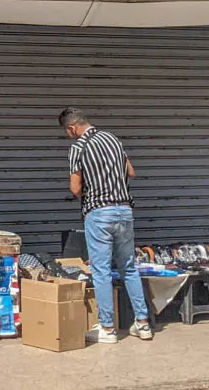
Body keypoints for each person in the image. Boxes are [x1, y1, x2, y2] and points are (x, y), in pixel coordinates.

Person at [59, 107, 153, 343]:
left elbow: (75, 188)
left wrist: (94, 192)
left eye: (67, 131)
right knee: (129, 268)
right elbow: (131, 172)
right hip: (124, 210)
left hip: (98, 212)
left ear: (72, 127)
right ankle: (143, 324)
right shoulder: (113, 139)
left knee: (101, 271)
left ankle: (108, 329)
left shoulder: (78, 147)